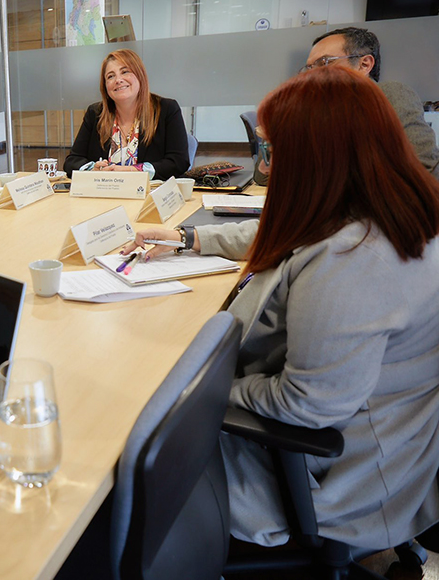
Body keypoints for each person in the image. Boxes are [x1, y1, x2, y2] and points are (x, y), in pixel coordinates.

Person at [122, 66, 439, 551]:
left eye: (271, 150)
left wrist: (193, 392)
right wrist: (190, 237)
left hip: (324, 475)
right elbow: (293, 230)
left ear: (320, 155)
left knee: (122, 443)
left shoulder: (354, 263)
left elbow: (306, 405)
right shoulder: (385, 208)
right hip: (377, 435)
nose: (265, 166)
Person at [291, 27, 438, 178]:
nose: (312, 74)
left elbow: (425, 168)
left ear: (364, 65)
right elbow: (268, 172)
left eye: (324, 62)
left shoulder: (388, 95)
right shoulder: (318, 111)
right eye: (309, 68)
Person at [63, 49, 190, 181]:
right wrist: (92, 169)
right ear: (105, 86)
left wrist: (133, 170)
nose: (118, 80)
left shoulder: (166, 109)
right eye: (110, 76)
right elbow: (72, 161)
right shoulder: (95, 113)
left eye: (125, 72)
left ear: (140, 75)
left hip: (148, 196)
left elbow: (179, 162)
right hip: (104, 195)